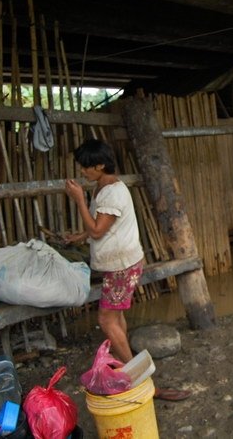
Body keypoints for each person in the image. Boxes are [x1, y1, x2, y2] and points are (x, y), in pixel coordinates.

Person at [65, 139, 191, 401]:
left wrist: (78, 199)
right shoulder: (105, 186)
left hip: (120, 267)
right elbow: (103, 227)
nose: (82, 171)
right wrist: (79, 237)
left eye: (85, 167)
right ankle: (129, 364)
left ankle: (141, 378)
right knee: (116, 317)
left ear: (99, 165)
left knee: (105, 320)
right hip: (123, 263)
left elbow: (99, 230)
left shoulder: (112, 192)